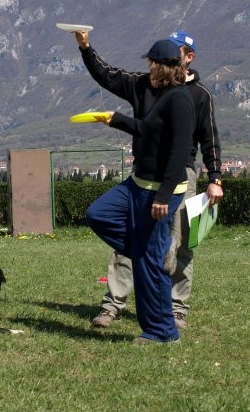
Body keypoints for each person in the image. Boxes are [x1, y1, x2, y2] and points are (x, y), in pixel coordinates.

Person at [76, 29, 223, 333]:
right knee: (131, 237)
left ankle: (176, 309)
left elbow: (208, 140)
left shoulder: (197, 96)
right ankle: (113, 303)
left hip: (179, 176)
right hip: (143, 176)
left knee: (179, 242)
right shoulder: (143, 85)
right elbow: (106, 76)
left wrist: (215, 177)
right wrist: (86, 47)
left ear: (187, 57)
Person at [88, 39, 194, 343]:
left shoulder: (180, 100)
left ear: (161, 66)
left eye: (151, 64)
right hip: (137, 185)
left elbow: (178, 153)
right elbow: (149, 130)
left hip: (159, 192)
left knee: (150, 265)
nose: (148, 68)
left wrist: (163, 196)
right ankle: (150, 253)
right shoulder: (161, 96)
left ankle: (162, 333)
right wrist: (115, 120)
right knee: (98, 214)